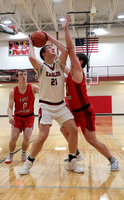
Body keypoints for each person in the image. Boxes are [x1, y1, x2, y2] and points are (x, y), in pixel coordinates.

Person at [19, 33, 84, 175]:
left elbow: (65, 50)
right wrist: (30, 42)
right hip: (46, 106)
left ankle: (72, 161)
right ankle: (28, 162)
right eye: (49, 48)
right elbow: (30, 57)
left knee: (73, 130)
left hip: (60, 105)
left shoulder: (60, 65)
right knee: (43, 136)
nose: (53, 48)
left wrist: (49, 38)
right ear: (43, 54)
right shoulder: (41, 67)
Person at [60, 15, 119, 171]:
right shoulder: (70, 73)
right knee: (64, 129)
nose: (71, 60)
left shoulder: (78, 71)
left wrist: (65, 29)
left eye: (74, 58)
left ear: (79, 62)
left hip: (84, 112)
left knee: (91, 140)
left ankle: (112, 159)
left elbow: (70, 49)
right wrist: (51, 40)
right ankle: (76, 153)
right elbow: (64, 55)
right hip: (73, 111)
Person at [5, 69, 39, 163]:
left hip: (29, 117)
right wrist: (10, 117)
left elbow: (44, 91)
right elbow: (9, 107)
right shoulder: (13, 91)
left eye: (25, 74)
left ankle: (24, 153)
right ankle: (10, 155)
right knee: (13, 138)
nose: (23, 76)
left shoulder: (33, 88)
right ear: (17, 77)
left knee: (27, 138)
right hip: (18, 117)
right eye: (21, 74)